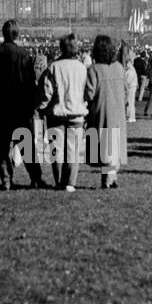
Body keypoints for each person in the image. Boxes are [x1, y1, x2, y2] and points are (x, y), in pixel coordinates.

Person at [0, 19, 44, 190]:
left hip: (2, 107)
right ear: (17, 34)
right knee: (26, 145)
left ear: (3, 34)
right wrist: (31, 104)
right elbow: (31, 83)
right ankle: (36, 178)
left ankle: (6, 179)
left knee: (3, 146)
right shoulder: (23, 54)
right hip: (21, 107)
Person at [39, 33, 89, 190]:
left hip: (57, 113)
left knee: (56, 151)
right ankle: (70, 183)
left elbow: (47, 92)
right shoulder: (82, 68)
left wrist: (41, 107)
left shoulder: (54, 67)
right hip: (76, 114)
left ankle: (59, 181)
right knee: (73, 151)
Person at [84, 34, 128, 189]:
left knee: (106, 148)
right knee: (114, 146)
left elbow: (89, 94)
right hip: (118, 112)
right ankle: (112, 177)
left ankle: (108, 179)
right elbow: (125, 91)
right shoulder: (119, 68)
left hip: (102, 112)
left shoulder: (94, 70)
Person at [120, 43, 139, 124]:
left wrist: (125, 86)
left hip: (130, 87)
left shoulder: (130, 71)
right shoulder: (131, 69)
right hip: (132, 86)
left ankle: (130, 116)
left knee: (129, 102)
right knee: (130, 102)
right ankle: (131, 116)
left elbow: (128, 80)